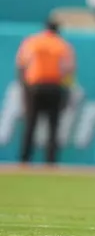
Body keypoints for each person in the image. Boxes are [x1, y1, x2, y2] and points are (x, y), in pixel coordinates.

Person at [16, 19, 75, 164]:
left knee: (30, 124)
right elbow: (69, 69)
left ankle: (24, 160)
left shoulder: (32, 41)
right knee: (53, 126)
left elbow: (21, 64)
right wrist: (66, 91)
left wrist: (24, 86)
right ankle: (51, 162)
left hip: (34, 86)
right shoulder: (62, 45)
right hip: (55, 87)